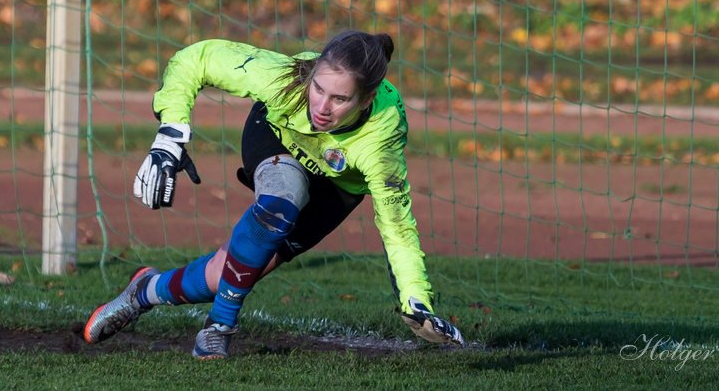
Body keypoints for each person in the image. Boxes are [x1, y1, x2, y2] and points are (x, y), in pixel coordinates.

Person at [83, 30, 464, 358]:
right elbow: (195, 59)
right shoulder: (285, 79)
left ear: (365, 100)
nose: (322, 106)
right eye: (318, 88)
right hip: (276, 136)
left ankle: (142, 293)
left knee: (228, 273)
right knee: (282, 201)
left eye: (339, 99)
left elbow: (397, 227)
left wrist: (416, 301)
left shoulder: (381, 142)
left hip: (336, 188)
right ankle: (218, 328)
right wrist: (171, 134)